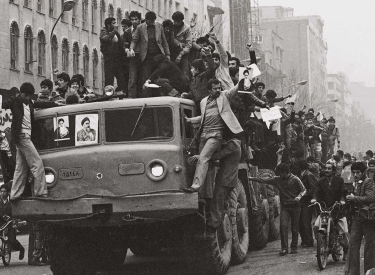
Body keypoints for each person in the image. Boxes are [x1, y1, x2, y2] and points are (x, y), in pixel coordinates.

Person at [183, 79, 243, 193]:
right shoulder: (203, 101)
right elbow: (203, 117)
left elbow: (234, 90)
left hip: (216, 135)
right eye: (215, 88)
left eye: (219, 88)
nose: (218, 90)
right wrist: (190, 120)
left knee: (202, 158)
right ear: (209, 90)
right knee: (206, 163)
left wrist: (243, 79)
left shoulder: (224, 96)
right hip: (204, 135)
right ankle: (205, 195)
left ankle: (195, 187)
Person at [2, 83, 60, 200]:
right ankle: (40, 192)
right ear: (21, 93)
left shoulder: (29, 103)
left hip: (23, 138)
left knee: (21, 168)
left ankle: (14, 195)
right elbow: (4, 104)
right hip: (22, 137)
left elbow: (40, 103)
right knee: (37, 164)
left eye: (29, 96)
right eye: (26, 95)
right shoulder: (16, 101)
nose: (28, 98)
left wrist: (55, 103)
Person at [249, 163, 306, 256]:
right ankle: (284, 248)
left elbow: (304, 190)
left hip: (295, 207)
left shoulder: (295, 179)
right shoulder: (277, 179)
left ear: (286, 172)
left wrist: (299, 197)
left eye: (281, 173)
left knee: (295, 228)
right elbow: (264, 180)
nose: (280, 175)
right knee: (283, 227)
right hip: (285, 207)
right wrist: (251, 178)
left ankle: (294, 247)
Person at [311, 160, 349, 261]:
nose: (327, 170)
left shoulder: (339, 180)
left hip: (337, 210)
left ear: (333, 170)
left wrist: (341, 200)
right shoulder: (320, 181)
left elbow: (342, 192)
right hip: (324, 210)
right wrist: (314, 199)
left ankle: (346, 250)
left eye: (329, 168)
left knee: (344, 233)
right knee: (315, 226)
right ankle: (322, 243)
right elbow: (316, 191)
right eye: (325, 168)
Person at [345, 161, 375, 274]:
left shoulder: (368, 181)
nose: (356, 175)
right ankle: (354, 272)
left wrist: (354, 198)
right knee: (353, 246)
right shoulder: (354, 183)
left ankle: (369, 271)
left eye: (358, 172)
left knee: (369, 246)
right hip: (356, 218)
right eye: (354, 172)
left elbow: (370, 198)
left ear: (363, 172)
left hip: (368, 218)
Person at [129, 11, 170, 91]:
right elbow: (134, 40)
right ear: (146, 20)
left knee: (158, 76)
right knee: (146, 77)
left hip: (158, 56)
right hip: (146, 57)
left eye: (153, 21)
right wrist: (131, 49)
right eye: (150, 21)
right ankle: (147, 97)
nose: (152, 23)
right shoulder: (140, 27)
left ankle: (158, 96)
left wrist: (167, 54)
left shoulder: (159, 26)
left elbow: (164, 41)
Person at [100, 17, 126, 93]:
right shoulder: (104, 32)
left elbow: (121, 45)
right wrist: (113, 32)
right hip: (109, 60)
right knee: (109, 80)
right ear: (108, 25)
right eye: (113, 23)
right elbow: (105, 39)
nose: (116, 25)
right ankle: (108, 96)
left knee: (121, 79)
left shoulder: (116, 33)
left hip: (117, 59)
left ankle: (120, 94)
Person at [0, 184, 25, 261]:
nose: (2, 193)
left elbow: (15, 211)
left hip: (9, 223)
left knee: (12, 241)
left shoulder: (12, 202)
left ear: (8, 193)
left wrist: (12, 218)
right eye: (1, 191)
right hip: (0, 223)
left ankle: (21, 249)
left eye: (4, 191)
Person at [298, 159, 317, 247]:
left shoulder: (308, 175)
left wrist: (302, 195)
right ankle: (305, 240)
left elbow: (313, 189)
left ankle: (309, 241)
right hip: (302, 202)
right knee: (301, 222)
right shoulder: (302, 175)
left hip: (307, 202)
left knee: (305, 222)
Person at [124, 11, 143, 98]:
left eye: (136, 19)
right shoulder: (127, 31)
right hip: (132, 57)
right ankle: (131, 98)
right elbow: (124, 44)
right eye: (132, 20)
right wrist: (127, 50)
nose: (134, 21)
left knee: (142, 78)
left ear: (139, 20)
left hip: (143, 56)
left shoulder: (143, 29)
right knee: (132, 79)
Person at [171, 11, 192, 78]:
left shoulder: (187, 28)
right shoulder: (170, 26)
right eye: (174, 21)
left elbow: (189, 44)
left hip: (183, 52)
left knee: (185, 73)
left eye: (178, 21)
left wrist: (180, 55)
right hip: (171, 51)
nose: (176, 23)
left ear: (181, 21)